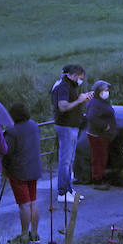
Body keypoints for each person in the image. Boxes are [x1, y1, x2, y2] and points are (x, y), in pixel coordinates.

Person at [2, 102, 42, 243]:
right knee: (33, 202)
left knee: (24, 204)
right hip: (34, 168)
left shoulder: (12, 131)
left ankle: (24, 235)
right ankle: (34, 233)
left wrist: (4, 168)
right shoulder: (34, 126)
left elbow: (6, 152)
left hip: (19, 171)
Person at [49, 64, 90, 201]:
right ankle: (62, 193)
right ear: (72, 75)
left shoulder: (70, 86)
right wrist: (80, 100)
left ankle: (68, 189)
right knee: (65, 161)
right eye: (80, 77)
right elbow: (63, 106)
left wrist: (83, 99)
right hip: (66, 127)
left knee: (70, 160)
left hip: (72, 126)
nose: (81, 79)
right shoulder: (63, 87)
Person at [84, 80, 117, 188]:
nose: (107, 92)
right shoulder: (95, 103)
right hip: (98, 135)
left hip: (102, 135)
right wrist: (104, 126)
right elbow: (91, 117)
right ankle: (97, 180)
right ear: (98, 91)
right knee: (99, 157)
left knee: (101, 157)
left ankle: (99, 177)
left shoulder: (101, 102)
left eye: (107, 90)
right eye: (105, 90)